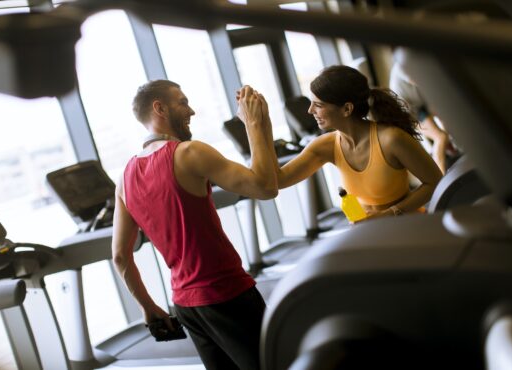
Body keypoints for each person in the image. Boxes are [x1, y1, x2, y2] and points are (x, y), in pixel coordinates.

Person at [111, 80, 277, 370]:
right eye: (182, 102)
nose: (192, 111)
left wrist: (148, 308)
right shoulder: (190, 152)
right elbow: (265, 188)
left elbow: (120, 256)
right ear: (159, 108)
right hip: (226, 293)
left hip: (186, 306)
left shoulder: (124, 177)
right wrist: (255, 123)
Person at [274, 65, 443, 218]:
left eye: (318, 105)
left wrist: (390, 214)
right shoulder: (326, 145)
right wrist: (259, 127)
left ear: (347, 109)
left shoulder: (391, 139)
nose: (310, 110)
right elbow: (278, 181)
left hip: (406, 225)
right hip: (368, 231)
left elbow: (435, 182)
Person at [389, 60, 457, 174]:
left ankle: (449, 151)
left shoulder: (419, 67)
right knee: (441, 137)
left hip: (422, 102)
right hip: (411, 113)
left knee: (447, 130)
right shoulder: (401, 76)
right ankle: (440, 178)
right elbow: (412, 119)